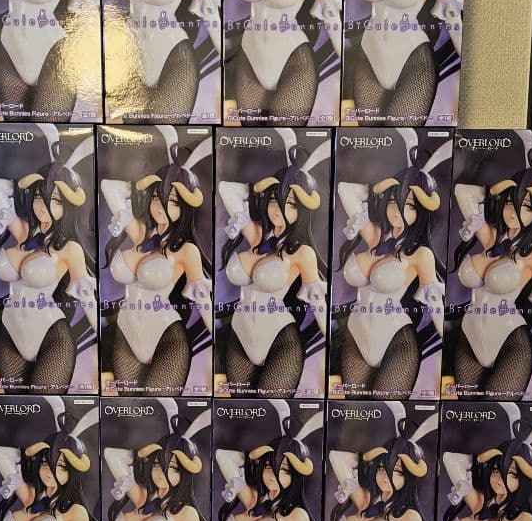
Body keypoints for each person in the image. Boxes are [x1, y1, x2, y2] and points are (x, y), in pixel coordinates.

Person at [450, 134, 532, 399]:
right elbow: (462, 192)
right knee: (465, 411)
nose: (514, 213)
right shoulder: (490, 238)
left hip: (511, 341)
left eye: (525, 207)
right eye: (510, 203)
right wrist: (501, 190)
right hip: (469, 336)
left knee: (495, 409)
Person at [0, 123, 98, 393]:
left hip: (52, 336)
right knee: (16, 409)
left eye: (55, 200)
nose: (45, 206)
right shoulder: (23, 231)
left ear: (67, 205)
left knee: (42, 404)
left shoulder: (69, 249)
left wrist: (104, 343)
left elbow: (87, 300)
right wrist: (33, 181)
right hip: (10, 332)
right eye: (39, 197)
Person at [101, 126, 212, 394]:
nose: (161, 207)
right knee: (130, 411)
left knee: (156, 407)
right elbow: (108, 187)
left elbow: (204, 302)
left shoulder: (186, 250)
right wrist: (148, 185)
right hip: (126, 333)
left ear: (184, 206)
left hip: (167, 337)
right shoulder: (140, 232)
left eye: (171, 201)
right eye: (156, 198)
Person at [335, 132, 447, 397]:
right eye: (394, 202)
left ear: (420, 211)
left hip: (397, 338)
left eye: (409, 206)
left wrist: (448, 344)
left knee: (385, 406)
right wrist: (389, 188)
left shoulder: (420, 254)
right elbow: (345, 190)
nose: (398, 212)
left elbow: (435, 305)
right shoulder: (375, 235)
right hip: (356, 333)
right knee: (354, 412)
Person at [218, 129, 328, 397]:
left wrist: (332, 343)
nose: (279, 210)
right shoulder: (256, 234)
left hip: (280, 338)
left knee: (269, 407)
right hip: (239, 335)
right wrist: (265, 187)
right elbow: (225, 189)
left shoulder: (302, 253)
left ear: (301, 210)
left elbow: (318, 303)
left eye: (290, 204)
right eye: (274, 201)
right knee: (240, 410)